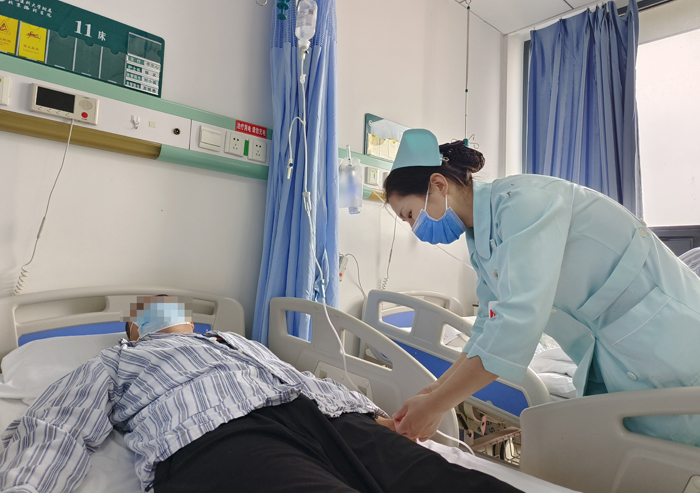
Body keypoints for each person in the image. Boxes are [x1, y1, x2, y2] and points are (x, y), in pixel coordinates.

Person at [0, 295, 521, 493]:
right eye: (153, 313)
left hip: (329, 419)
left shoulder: (237, 341)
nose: (169, 315)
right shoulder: (118, 361)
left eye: (174, 310)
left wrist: (374, 416)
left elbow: (305, 381)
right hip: (217, 433)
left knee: (447, 481)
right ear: (137, 330)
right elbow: (56, 427)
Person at [386, 128, 700, 447]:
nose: (415, 229)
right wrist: (435, 390)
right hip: (616, 350)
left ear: (439, 185)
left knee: (682, 449)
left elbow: (515, 324)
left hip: (666, 333)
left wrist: (437, 405)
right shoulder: (481, 237)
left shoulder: (523, 203)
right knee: (656, 456)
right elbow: (488, 325)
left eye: (410, 215)